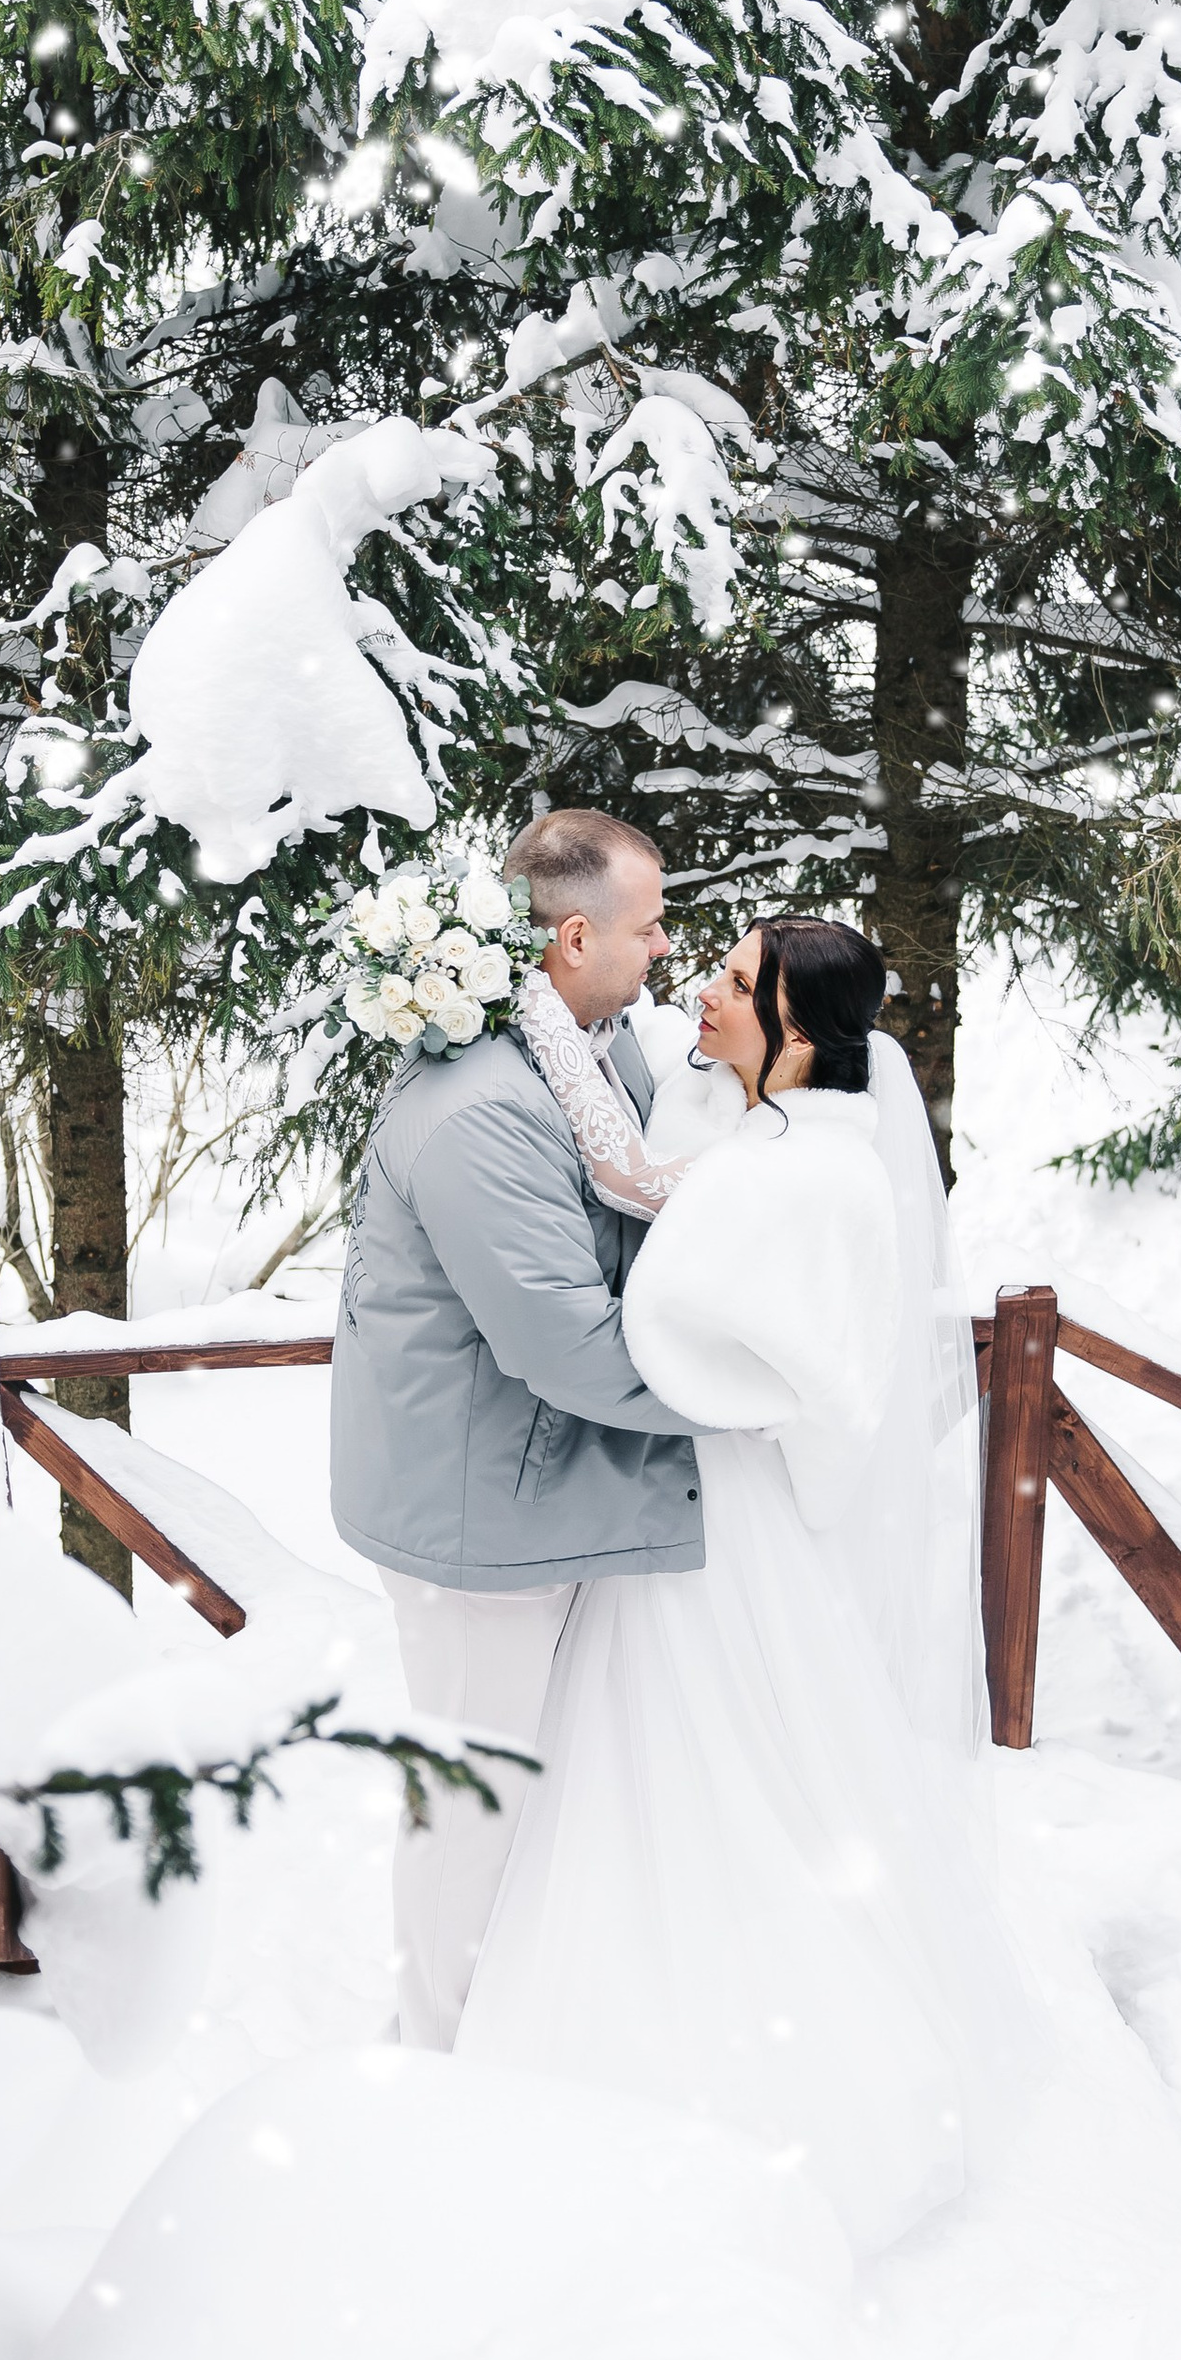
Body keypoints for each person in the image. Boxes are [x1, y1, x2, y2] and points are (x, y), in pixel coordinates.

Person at [456, 912, 1044, 2256]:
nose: (702, 999)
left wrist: (632, 1325)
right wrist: (549, 1018)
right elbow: (650, 1168)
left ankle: (748, 2046)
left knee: (707, 1753)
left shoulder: (814, 1176)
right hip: (694, 1500)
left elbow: (700, 1320)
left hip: (724, 1514)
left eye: (732, 985)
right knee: (664, 1754)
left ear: (796, 1030)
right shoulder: (760, 1130)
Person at [329, 808, 702, 2051]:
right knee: (474, 1805)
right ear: (575, 934)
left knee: (540, 1793)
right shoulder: (485, 1106)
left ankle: (520, 2029)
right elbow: (567, 1345)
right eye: (648, 927)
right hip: (475, 1510)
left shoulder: (590, 1048)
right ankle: (434, 2055)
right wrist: (744, 1407)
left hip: (533, 1486)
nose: (665, 950)